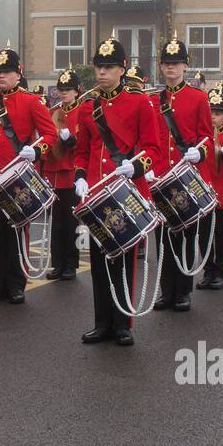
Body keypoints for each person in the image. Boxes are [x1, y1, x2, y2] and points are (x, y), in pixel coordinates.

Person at [73, 38, 165, 345]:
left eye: (108, 67)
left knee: (124, 259)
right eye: (98, 66)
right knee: (99, 261)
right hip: (97, 194)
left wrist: (136, 167)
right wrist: (80, 176)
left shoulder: (139, 104)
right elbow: (82, 151)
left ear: (122, 68)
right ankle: (102, 323)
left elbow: (154, 149)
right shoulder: (88, 109)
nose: (101, 73)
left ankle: (124, 323)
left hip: (126, 192)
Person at [0, 43, 57, 305]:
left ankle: (17, 284)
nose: (0, 76)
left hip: (16, 180)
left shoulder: (31, 101)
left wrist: (36, 150)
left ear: (18, 74)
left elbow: (50, 134)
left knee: (17, 232)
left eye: (6, 72)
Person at [152, 34, 212, 312]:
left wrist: (199, 152)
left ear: (186, 66)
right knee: (163, 237)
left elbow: (207, 138)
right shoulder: (153, 100)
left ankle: (184, 291)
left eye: (176, 63)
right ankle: (167, 291)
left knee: (186, 235)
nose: (171, 68)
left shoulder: (198, 97)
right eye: (167, 63)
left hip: (185, 177)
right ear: (161, 67)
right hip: (160, 176)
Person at [197, 87, 223, 290]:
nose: (213, 118)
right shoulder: (201, 139)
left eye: (217, 114)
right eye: (210, 113)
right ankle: (207, 272)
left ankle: (220, 273)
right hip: (204, 196)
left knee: (221, 237)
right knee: (205, 238)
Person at [43, 68, 82, 281]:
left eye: (68, 89)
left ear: (77, 91)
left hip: (72, 172)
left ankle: (72, 264)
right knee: (56, 222)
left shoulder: (83, 111)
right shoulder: (53, 112)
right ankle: (58, 263)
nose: (64, 93)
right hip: (54, 172)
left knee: (72, 222)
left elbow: (85, 145)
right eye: (61, 89)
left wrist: (71, 141)